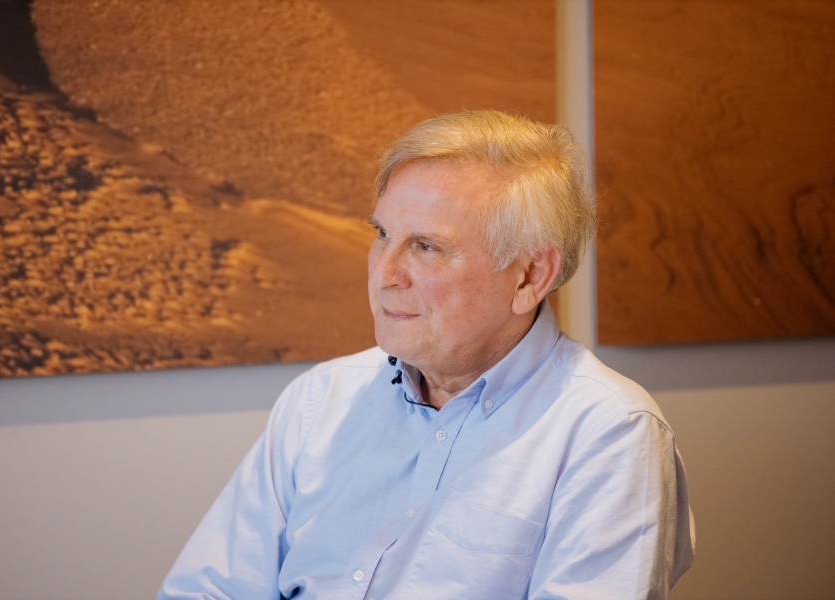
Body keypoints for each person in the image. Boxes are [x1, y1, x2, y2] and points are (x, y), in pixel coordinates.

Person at [158, 110, 695, 599]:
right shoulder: (319, 399)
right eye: (382, 234)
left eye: (426, 247)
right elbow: (206, 591)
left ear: (530, 276)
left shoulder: (609, 432)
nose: (384, 274)